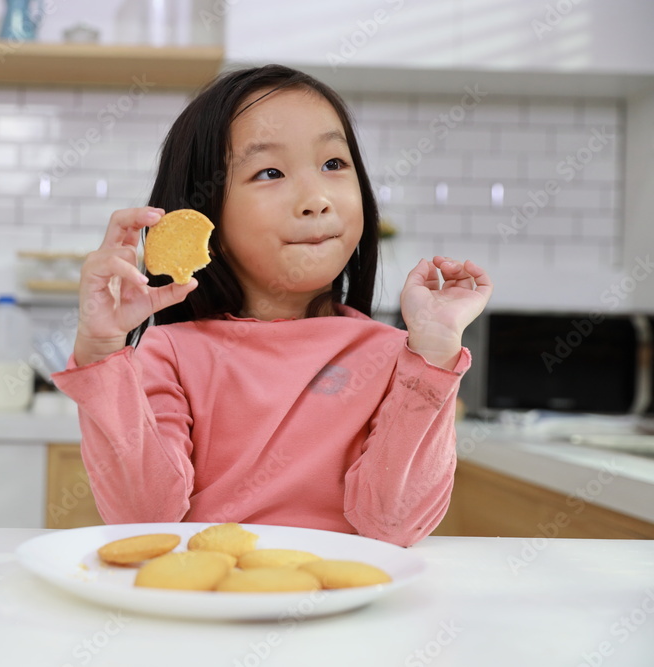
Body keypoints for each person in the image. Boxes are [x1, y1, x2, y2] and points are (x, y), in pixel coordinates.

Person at [51, 64, 493, 547]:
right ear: (201, 220)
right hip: (207, 606)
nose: (317, 198)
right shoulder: (170, 354)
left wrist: (432, 356)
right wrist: (100, 354)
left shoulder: (399, 359)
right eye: (270, 172)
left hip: (343, 607)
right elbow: (142, 519)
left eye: (333, 164)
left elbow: (393, 524)